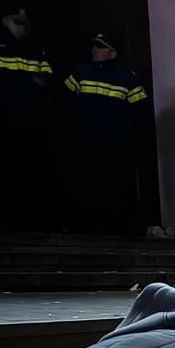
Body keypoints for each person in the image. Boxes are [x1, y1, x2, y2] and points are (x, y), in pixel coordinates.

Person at [0, 7, 55, 231]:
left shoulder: (35, 49)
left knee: (27, 170)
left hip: (29, 122)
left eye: (26, 23)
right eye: (19, 22)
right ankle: (3, 219)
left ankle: (26, 220)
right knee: (2, 171)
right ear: (7, 21)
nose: (23, 27)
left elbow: (47, 80)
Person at [64, 33, 152, 234]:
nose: (94, 49)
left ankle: (114, 229)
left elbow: (142, 112)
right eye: (94, 45)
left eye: (100, 46)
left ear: (113, 53)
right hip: (85, 143)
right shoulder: (81, 73)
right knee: (86, 186)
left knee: (112, 189)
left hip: (114, 146)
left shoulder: (126, 79)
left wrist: (130, 139)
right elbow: (64, 102)